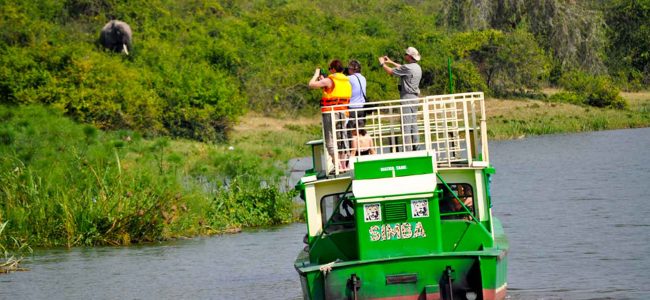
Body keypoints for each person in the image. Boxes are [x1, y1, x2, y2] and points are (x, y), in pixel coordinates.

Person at [308, 60, 352, 172]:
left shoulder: (330, 80)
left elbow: (311, 85)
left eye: (329, 69)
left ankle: (337, 165)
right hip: (343, 113)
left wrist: (316, 74)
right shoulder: (346, 80)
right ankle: (344, 165)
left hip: (331, 113)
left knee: (330, 139)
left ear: (333, 69)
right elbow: (333, 89)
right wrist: (324, 81)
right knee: (342, 138)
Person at [378, 47, 422, 151]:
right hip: (415, 98)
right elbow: (403, 68)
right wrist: (391, 62)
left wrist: (382, 64)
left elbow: (391, 72)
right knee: (413, 124)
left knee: (406, 125)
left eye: (406, 54)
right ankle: (417, 147)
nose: (405, 56)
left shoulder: (408, 68)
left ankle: (407, 149)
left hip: (406, 97)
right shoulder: (417, 67)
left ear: (410, 56)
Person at [347, 60, 367, 128]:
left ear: (351, 69)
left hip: (352, 107)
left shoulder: (349, 78)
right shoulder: (363, 78)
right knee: (360, 128)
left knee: (351, 129)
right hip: (362, 107)